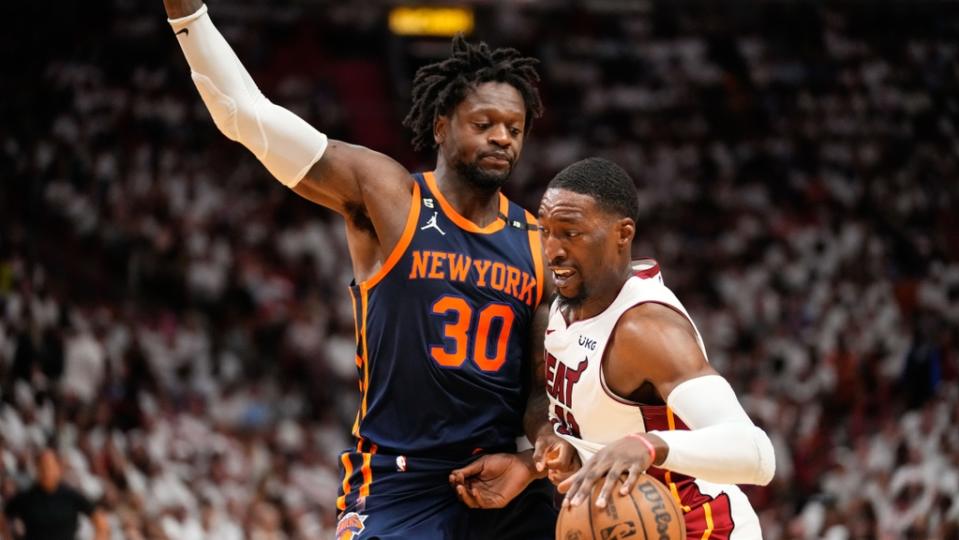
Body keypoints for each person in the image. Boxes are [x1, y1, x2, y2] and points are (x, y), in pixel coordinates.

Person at [161, 1, 576, 537]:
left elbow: (538, 389)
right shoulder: (390, 197)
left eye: (515, 128)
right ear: (442, 125)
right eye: (485, 123)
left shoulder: (538, 244)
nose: (503, 138)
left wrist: (533, 454)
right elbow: (245, 114)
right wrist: (188, 17)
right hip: (396, 482)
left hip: (498, 482)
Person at [454, 158, 776, 538]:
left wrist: (648, 445)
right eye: (546, 232)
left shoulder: (646, 328)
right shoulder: (566, 304)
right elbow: (603, 433)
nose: (552, 250)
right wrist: (532, 464)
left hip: (702, 529)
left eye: (571, 234)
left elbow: (756, 454)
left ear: (623, 234)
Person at [1, 448, 110, 540]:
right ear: (36, 469)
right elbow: (3, 518)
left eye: (49, 466)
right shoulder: (26, 497)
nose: (46, 471)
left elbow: (100, 522)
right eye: (42, 466)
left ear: (58, 468)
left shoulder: (71, 495)